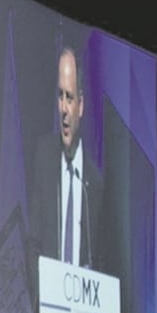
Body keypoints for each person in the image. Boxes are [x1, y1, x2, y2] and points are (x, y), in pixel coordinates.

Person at [27, 45, 102, 270]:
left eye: (69, 98)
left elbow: (101, 260)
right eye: (60, 96)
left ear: (81, 105)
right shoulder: (44, 157)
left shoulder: (95, 183)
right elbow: (33, 244)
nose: (64, 109)